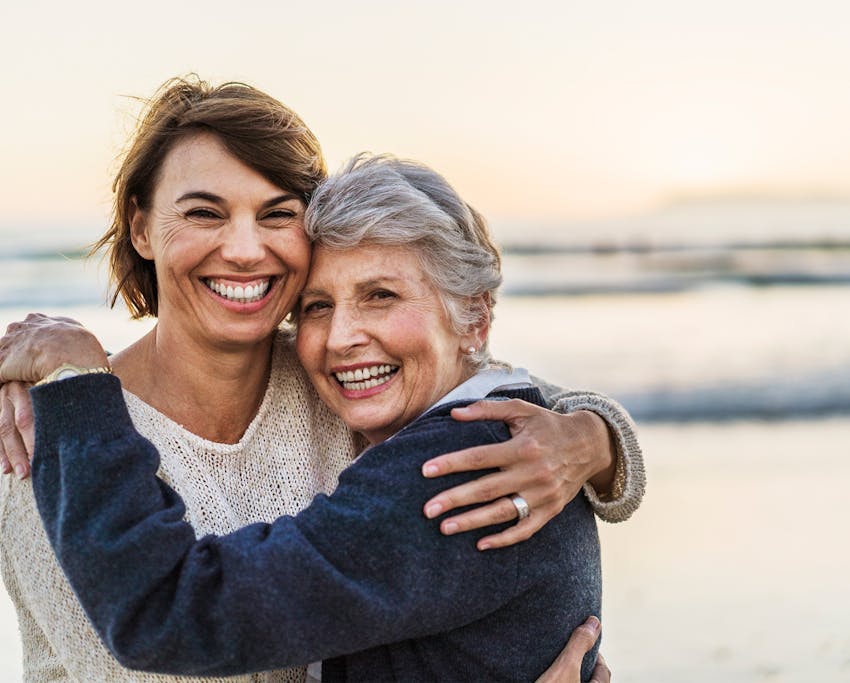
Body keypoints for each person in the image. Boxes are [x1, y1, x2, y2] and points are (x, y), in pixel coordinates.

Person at [0, 77, 643, 681]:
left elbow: (522, 405)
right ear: (140, 226)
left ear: (476, 315)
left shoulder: (431, 433)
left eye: (277, 213)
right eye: (204, 212)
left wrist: (595, 436)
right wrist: (74, 382)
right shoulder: (37, 433)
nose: (246, 249)